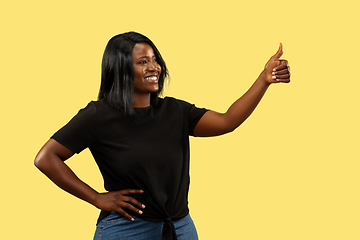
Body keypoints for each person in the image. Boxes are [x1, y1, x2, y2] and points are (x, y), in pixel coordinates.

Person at [34, 31, 291, 240]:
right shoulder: (98, 116)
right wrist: (96, 198)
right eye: (142, 61)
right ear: (121, 68)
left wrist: (264, 79)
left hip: (180, 228)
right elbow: (46, 158)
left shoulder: (175, 111)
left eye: (154, 59)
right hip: (128, 230)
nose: (154, 67)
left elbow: (227, 121)